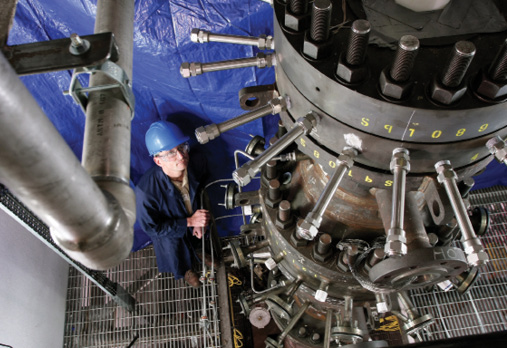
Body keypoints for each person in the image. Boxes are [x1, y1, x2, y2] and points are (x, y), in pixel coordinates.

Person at [135, 120, 210, 288]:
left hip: (193, 217)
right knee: (174, 251)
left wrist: (198, 216)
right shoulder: (146, 191)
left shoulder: (196, 163)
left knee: (198, 238)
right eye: (170, 153)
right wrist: (189, 222)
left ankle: (200, 252)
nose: (181, 156)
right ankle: (185, 271)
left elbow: (202, 188)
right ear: (158, 161)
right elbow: (152, 228)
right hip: (169, 232)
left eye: (182, 147)